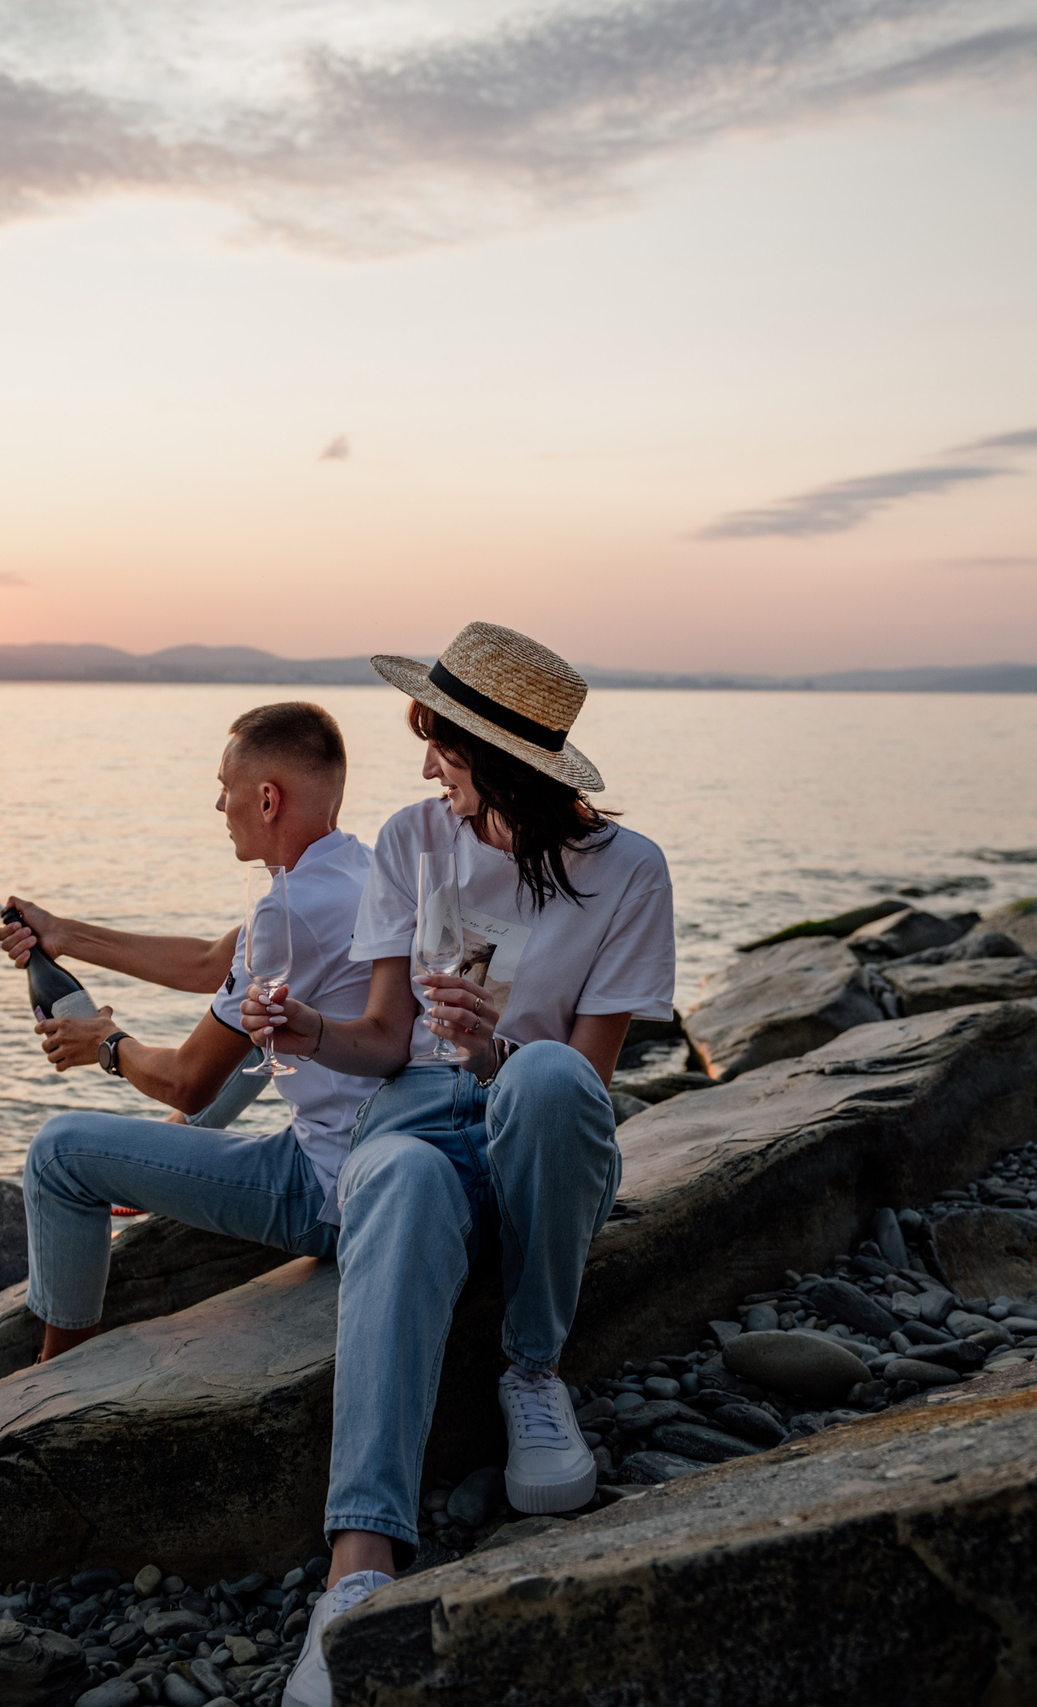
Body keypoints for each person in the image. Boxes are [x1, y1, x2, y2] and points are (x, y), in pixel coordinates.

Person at [246, 623, 676, 1707]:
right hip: (422, 1117)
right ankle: (358, 1566)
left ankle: (531, 1371)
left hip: (539, 1122)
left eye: (438, 742)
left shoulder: (627, 872)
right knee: (389, 1175)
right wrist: (303, 1033)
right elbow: (385, 1041)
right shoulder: (410, 842)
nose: (424, 762)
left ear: (497, 759)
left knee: (536, 1083)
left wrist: (494, 1046)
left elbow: (588, 1078)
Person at [0, 702, 379, 1366]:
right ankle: (176, 1147)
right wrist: (65, 934)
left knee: (59, 1153)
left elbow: (188, 1077)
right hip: (375, 1163)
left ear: (266, 798)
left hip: (329, 1194)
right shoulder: (355, 872)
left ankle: (53, 1378)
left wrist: (107, 1045)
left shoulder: (289, 913)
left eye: (224, 786)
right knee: (255, 1038)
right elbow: (209, 962)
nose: (217, 803)